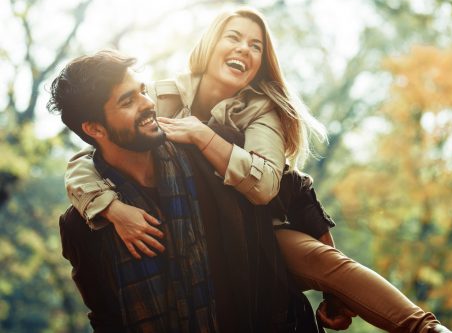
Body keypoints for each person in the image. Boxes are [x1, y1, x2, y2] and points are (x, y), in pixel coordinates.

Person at [64, 8, 452, 333]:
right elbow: (91, 157)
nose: (244, 49)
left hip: (256, 223)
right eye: (233, 37)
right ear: (210, 44)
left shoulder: (259, 109)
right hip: (203, 237)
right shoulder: (161, 98)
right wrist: (110, 208)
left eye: (256, 46)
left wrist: (201, 136)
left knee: (323, 262)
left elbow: (277, 185)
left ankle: (426, 329)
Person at [49, 51, 322, 332]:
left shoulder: (203, 149)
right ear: (94, 127)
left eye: (142, 91)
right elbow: (106, 319)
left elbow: (292, 188)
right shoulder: (82, 226)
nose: (147, 103)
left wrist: (334, 291)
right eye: (127, 101)